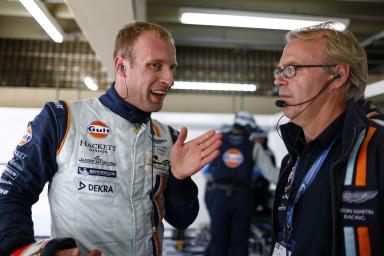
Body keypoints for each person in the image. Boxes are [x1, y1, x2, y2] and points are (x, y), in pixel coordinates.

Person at [0, 21, 222, 256]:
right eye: (156, 66)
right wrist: (29, 251)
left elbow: (183, 220)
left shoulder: (169, 139)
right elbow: (10, 194)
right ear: (122, 67)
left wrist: (179, 179)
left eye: (171, 67)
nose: (169, 79)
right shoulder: (62, 120)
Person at [272, 21, 384, 256]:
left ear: (337, 75)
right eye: (280, 70)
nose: (278, 80)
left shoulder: (377, 150)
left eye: (291, 69)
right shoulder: (294, 158)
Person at [203, 111, 276, 256]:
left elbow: (205, 172)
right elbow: (271, 174)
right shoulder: (254, 146)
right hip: (243, 198)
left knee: (217, 240)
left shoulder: (217, 143)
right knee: (239, 241)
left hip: (219, 197)